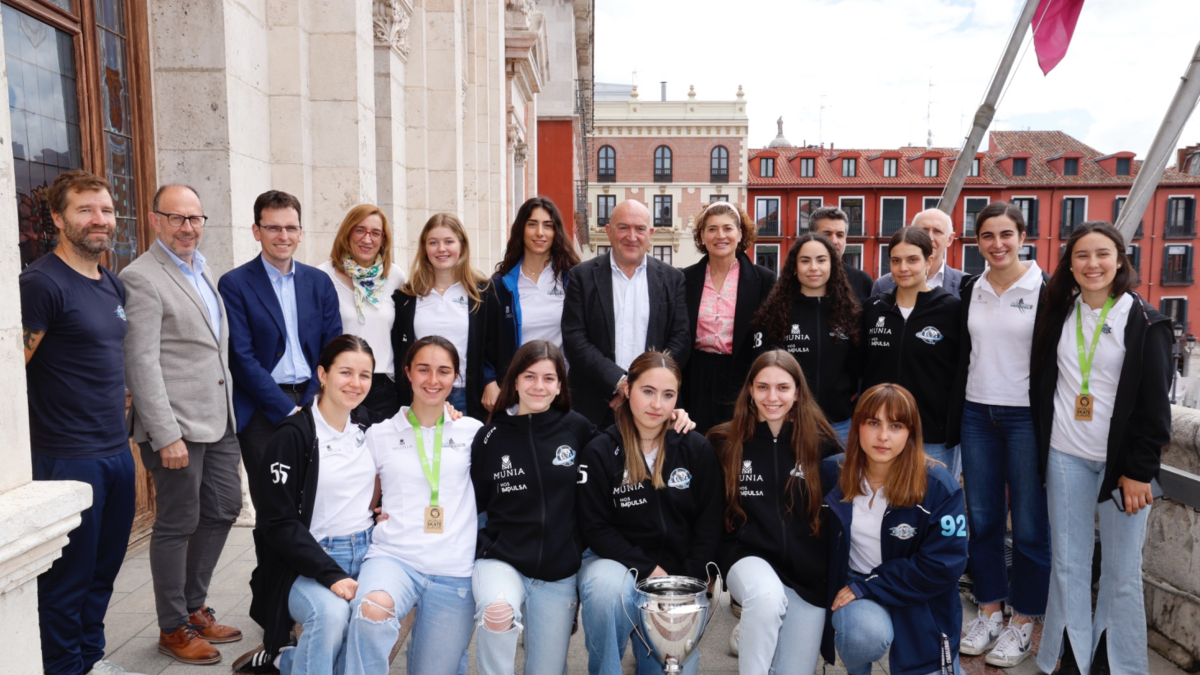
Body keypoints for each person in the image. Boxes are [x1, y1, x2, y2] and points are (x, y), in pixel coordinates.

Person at [1030, 222, 1172, 675]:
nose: (1092, 264)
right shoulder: (1058, 313)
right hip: (1064, 455)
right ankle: (1071, 657)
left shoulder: (1145, 320)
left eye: (1102, 254)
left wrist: (1140, 470)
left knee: (1121, 570)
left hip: (1123, 468)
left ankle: (1116, 663)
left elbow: (1156, 406)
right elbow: (1043, 383)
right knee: (1067, 564)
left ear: (1120, 260)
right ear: (1069, 265)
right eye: (1082, 255)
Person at [20, 170, 138, 675]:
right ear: (57, 217)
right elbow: (12, 373)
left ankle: (91, 660)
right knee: (67, 580)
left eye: (106, 210)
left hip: (115, 451)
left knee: (102, 573)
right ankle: (64, 668)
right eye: (85, 209)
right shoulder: (41, 284)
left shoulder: (111, 284)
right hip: (66, 457)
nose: (99, 220)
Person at [122, 184, 243, 664]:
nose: (188, 227)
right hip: (175, 427)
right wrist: (164, 433)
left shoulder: (202, 268)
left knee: (225, 507)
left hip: (219, 418)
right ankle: (172, 627)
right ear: (155, 220)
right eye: (176, 218)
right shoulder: (141, 277)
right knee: (177, 523)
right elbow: (141, 362)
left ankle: (194, 607)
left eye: (195, 218)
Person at [576, 351, 723, 675]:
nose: (657, 404)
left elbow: (709, 524)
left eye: (668, 395)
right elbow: (594, 527)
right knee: (605, 590)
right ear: (628, 389)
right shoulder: (601, 450)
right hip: (616, 567)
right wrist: (648, 570)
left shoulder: (695, 448)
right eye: (648, 391)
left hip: (676, 578)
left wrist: (686, 583)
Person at [346, 336, 484, 675]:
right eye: (423, 369)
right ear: (407, 372)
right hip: (394, 558)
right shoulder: (379, 434)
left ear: (456, 377)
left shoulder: (473, 432)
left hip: (454, 567)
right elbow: (362, 498)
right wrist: (371, 515)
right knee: (371, 612)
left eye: (443, 371)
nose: (433, 380)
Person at [952, 201, 1051, 668]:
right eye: (988, 235)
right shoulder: (971, 288)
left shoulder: (1045, 289)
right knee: (983, 519)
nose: (997, 244)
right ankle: (990, 611)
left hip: (1026, 417)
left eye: (1006, 234)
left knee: (1029, 524)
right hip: (976, 414)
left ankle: (1024, 620)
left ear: (1022, 237)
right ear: (977, 242)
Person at [246, 336, 377, 675]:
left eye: (364, 375)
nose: (355, 383)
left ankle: (287, 662)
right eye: (345, 372)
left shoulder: (366, 425)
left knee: (372, 618)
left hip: (368, 553)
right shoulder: (293, 435)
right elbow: (277, 522)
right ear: (322, 374)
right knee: (331, 615)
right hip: (308, 561)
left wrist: (449, 414)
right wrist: (330, 573)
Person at [708, 349, 840, 675]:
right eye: (763, 387)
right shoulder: (724, 441)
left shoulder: (822, 443)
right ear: (750, 391)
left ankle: (755, 631)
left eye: (782, 387)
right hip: (747, 557)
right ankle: (757, 627)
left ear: (797, 392)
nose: (772, 397)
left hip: (806, 576)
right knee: (766, 598)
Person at [824, 383, 969, 675]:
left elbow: (944, 565)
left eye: (896, 426)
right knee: (863, 635)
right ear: (857, 426)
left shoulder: (940, 487)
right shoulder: (830, 474)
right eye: (873, 423)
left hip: (919, 595)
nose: (883, 436)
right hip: (856, 586)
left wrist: (872, 584)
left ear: (911, 433)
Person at [470, 340, 596, 675]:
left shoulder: (579, 429)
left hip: (558, 572)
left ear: (560, 386)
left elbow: (626, 446)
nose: (539, 386)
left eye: (548, 378)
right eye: (529, 376)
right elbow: (471, 501)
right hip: (502, 561)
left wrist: (674, 418)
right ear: (514, 381)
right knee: (497, 612)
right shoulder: (490, 436)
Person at [219, 190, 342, 510]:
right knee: (272, 506)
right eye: (273, 227)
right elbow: (241, 357)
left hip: (314, 401)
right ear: (256, 231)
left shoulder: (319, 282)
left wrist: (312, 401)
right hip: (262, 409)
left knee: (316, 501)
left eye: (290, 227)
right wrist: (287, 410)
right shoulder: (234, 284)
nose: (283, 236)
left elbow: (333, 349)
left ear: (301, 232)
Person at [562, 200, 690, 427]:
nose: (632, 236)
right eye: (623, 228)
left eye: (640, 229)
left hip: (654, 408)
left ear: (650, 234)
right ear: (609, 231)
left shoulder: (673, 279)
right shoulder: (581, 276)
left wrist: (645, 387)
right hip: (596, 407)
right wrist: (620, 383)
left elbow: (680, 339)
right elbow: (575, 339)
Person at [861, 227, 963, 479]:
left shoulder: (952, 310)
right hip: (880, 434)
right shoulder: (873, 309)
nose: (903, 268)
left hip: (932, 436)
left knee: (932, 499)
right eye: (896, 261)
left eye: (912, 259)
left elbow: (961, 371)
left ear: (929, 261)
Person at [751, 232, 861, 443]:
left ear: (833, 265)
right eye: (805, 261)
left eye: (821, 260)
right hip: (789, 422)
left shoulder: (850, 313)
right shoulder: (773, 314)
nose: (813, 267)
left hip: (840, 425)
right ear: (794, 266)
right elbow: (759, 368)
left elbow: (858, 367)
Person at [392, 213, 499, 420]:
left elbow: (494, 347)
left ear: (462, 246)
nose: (441, 249)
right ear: (425, 248)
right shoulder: (407, 296)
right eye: (433, 242)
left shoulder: (482, 293)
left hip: (466, 393)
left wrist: (490, 381)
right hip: (422, 392)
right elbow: (400, 349)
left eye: (449, 242)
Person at [682, 201, 776, 433]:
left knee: (737, 442)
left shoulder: (764, 280)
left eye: (727, 228)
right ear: (702, 236)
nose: (720, 235)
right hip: (696, 378)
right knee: (697, 442)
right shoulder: (684, 279)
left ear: (740, 234)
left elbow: (771, 337)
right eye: (712, 229)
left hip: (742, 377)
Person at [485, 197, 580, 406]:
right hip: (516, 391)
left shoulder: (571, 280)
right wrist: (489, 381)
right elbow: (487, 340)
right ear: (521, 229)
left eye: (548, 225)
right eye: (532, 224)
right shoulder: (501, 285)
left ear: (556, 232)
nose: (540, 233)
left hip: (561, 390)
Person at [318, 204, 407, 424]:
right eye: (360, 230)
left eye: (375, 233)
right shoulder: (322, 276)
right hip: (340, 383)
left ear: (383, 240)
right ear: (347, 233)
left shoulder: (395, 276)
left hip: (383, 387)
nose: (367, 239)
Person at [872, 209, 964, 298]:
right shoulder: (882, 285)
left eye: (937, 231)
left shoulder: (965, 285)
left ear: (950, 239)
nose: (930, 237)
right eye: (923, 230)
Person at [810, 207, 874, 302]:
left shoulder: (863, 282)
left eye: (840, 235)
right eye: (826, 234)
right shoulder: (792, 281)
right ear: (811, 237)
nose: (834, 241)